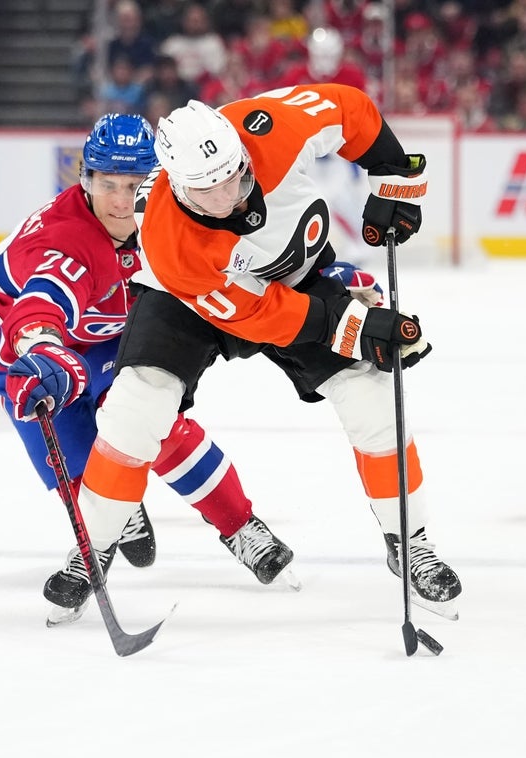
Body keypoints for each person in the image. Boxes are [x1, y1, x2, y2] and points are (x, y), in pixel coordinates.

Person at [65, 84, 462, 620]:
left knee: (373, 399)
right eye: (208, 191)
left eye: (235, 177)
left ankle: (409, 541)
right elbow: (261, 315)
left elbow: (350, 110)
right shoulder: (170, 239)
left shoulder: (269, 128)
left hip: (296, 277)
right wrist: (358, 328)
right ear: (177, 185)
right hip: (190, 302)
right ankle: (92, 547)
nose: (229, 197)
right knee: (137, 406)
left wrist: (393, 177)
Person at [0, 114, 299, 626]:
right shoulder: (66, 240)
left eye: (134, 185)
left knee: (158, 426)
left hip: (111, 338)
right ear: (86, 180)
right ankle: (98, 542)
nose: (122, 202)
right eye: (108, 185)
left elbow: (255, 257)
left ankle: (241, 528)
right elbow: (42, 299)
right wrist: (41, 347)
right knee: (76, 469)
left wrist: (329, 283)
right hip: (33, 356)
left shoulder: (174, 211)